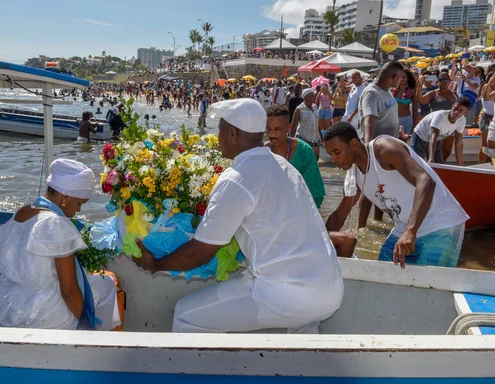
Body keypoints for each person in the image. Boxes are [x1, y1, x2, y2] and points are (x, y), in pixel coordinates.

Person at [132, 98, 343, 334]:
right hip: (330, 290)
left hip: (286, 295)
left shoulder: (237, 177)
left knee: (185, 315)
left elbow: (201, 252)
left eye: (220, 129)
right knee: (300, 322)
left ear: (232, 133)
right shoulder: (284, 165)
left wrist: (156, 264)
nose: (218, 136)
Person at [0, 159, 120, 330]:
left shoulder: (22, 212)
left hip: (13, 305)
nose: (78, 210)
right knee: (106, 284)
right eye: (79, 203)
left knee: (99, 283)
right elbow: (69, 291)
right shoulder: (57, 224)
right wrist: (87, 327)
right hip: (46, 313)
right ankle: (96, 344)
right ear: (65, 197)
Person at [324, 122, 469, 268]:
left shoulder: (382, 149)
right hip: (404, 228)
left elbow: (425, 181)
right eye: (330, 154)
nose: (333, 160)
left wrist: (410, 231)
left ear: (354, 144)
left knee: (429, 285)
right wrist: (319, 239)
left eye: (337, 152)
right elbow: (339, 216)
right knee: (382, 277)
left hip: (440, 224)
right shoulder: (355, 176)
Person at [266, 104, 356, 258]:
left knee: (347, 240)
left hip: (300, 220)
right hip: (270, 222)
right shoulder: (262, 154)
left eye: (277, 129)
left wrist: (295, 224)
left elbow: (314, 195)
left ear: (289, 127)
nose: (272, 135)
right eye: (268, 129)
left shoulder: (304, 152)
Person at [358, 61, 404, 228]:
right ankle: (360, 228)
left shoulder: (387, 92)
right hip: (376, 151)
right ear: (393, 77)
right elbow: (368, 122)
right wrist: (368, 150)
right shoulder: (372, 93)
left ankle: (377, 222)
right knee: (369, 190)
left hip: (389, 150)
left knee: (382, 190)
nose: (400, 82)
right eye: (399, 78)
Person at [412, 97, 472, 166]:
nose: (456, 112)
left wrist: (461, 166)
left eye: (461, 111)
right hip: (421, 136)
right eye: (455, 108)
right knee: (417, 164)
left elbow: (458, 143)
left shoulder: (462, 120)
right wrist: (431, 158)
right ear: (452, 106)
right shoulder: (440, 116)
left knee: (440, 166)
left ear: (465, 112)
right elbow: (433, 136)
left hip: (436, 140)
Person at [291, 88, 321, 160]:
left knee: (315, 159)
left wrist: (321, 137)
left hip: (316, 138)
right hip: (303, 137)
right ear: (304, 97)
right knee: (304, 160)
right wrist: (291, 141)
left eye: (312, 96)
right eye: (309, 96)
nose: (311, 98)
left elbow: (317, 123)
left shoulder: (315, 107)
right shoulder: (299, 109)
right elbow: (294, 125)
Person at [391, 69, 418, 136]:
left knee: (405, 143)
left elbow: (415, 108)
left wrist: (414, 124)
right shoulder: (392, 90)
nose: (402, 79)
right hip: (394, 120)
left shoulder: (412, 90)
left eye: (404, 77)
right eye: (400, 77)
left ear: (408, 79)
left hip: (407, 119)